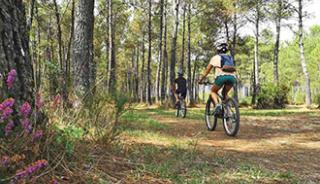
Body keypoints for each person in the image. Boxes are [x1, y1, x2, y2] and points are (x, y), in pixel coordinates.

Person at [198, 41, 237, 113]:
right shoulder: (230, 57)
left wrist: (201, 79)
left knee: (213, 91)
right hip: (232, 77)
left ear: (218, 49)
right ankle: (229, 111)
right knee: (225, 94)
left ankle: (217, 105)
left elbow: (207, 70)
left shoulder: (216, 57)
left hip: (221, 77)